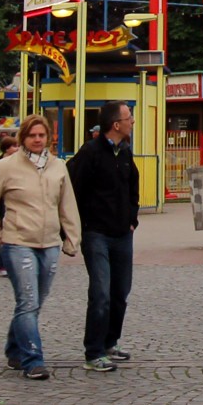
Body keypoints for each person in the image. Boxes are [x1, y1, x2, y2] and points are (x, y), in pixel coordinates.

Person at [0, 114, 79, 380]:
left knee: (35, 302)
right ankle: (33, 358)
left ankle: (14, 347)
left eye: (41, 135)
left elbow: (67, 204)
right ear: (23, 138)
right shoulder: (6, 167)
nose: (37, 139)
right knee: (28, 300)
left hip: (49, 243)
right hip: (17, 242)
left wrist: (72, 237)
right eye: (32, 135)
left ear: (48, 138)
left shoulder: (58, 167)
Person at [70, 101, 141, 372]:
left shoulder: (124, 152)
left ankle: (111, 341)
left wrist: (132, 218)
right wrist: (80, 225)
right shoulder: (90, 153)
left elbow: (133, 186)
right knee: (100, 292)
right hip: (96, 232)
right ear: (116, 124)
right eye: (128, 117)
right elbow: (74, 188)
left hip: (123, 232)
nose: (132, 121)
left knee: (120, 291)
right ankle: (94, 351)